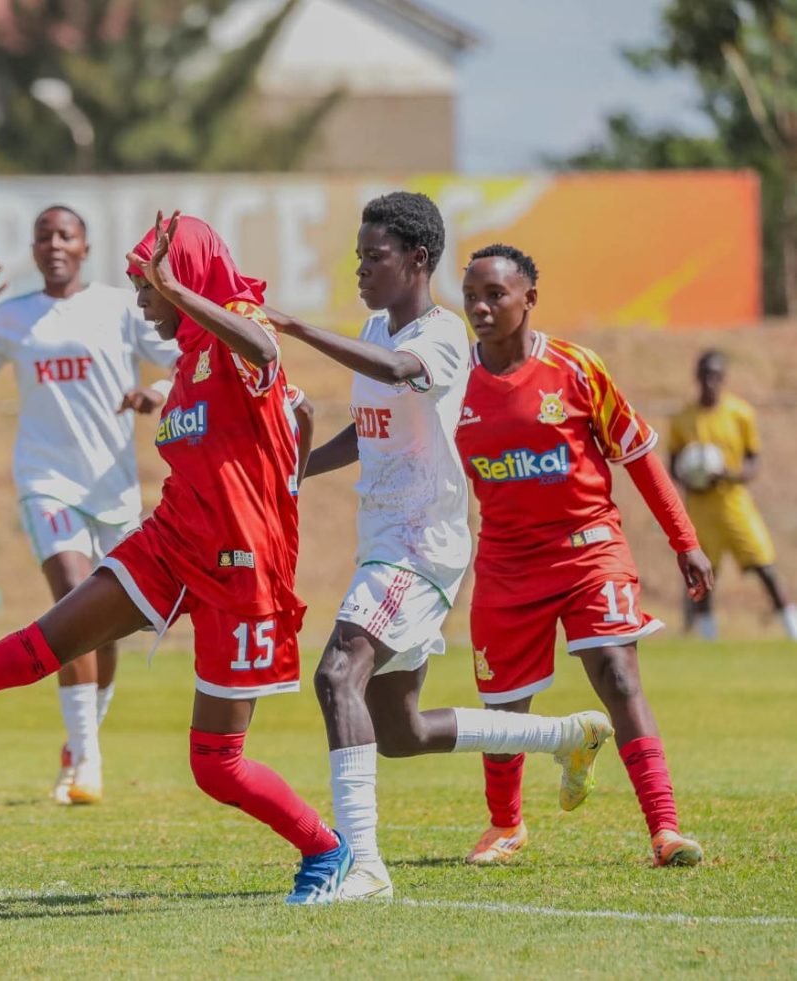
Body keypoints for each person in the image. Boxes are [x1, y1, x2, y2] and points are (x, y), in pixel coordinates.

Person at [0, 211, 351, 905]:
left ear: (185, 279)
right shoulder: (190, 356)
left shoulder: (233, 331)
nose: (141, 296)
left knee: (216, 766)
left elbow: (263, 349)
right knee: (29, 649)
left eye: (149, 283)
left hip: (241, 573)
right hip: (171, 542)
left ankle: (325, 848)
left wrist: (181, 293)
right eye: (139, 283)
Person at [264, 192, 614, 901]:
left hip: (419, 544)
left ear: (418, 260)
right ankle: (567, 736)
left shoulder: (444, 335)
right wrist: (292, 468)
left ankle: (364, 865)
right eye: (358, 255)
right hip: (386, 541)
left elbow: (396, 372)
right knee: (399, 730)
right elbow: (370, 428)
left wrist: (297, 328)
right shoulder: (375, 325)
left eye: (375, 256)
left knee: (337, 675)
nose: (361, 268)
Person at [456, 243, 714, 868]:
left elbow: (640, 457)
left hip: (587, 549)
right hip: (505, 562)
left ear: (529, 299)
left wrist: (687, 541)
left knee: (619, 677)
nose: (481, 308)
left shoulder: (575, 369)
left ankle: (665, 829)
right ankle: (506, 825)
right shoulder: (451, 379)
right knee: (503, 707)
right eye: (471, 297)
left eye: (496, 295)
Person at [0, 204, 180, 805]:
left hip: (114, 488)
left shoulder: (117, 307)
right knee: (75, 600)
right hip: (47, 482)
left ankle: (78, 747)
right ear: (33, 248)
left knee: (105, 629)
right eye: (43, 236)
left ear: (84, 247)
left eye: (65, 235)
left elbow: (186, 367)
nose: (53, 244)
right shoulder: (14, 319)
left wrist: (153, 391)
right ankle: (90, 763)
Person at [668, 350, 797, 641]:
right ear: (696, 377)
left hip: (734, 503)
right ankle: (708, 640)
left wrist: (728, 474)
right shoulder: (683, 419)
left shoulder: (740, 414)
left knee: (765, 567)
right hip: (700, 507)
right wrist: (692, 477)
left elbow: (753, 462)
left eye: (715, 375)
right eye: (705, 375)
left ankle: (793, 632)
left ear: (723, 378)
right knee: (704, 575)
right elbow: (673, 466)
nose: (709, 381)